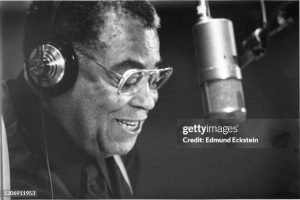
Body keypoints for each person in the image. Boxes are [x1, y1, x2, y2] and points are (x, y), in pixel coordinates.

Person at [1, 1, 173, 199]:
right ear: (54, 69)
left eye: (152, 78)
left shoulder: (121, 155)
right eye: (130, 78)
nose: (148, 101)